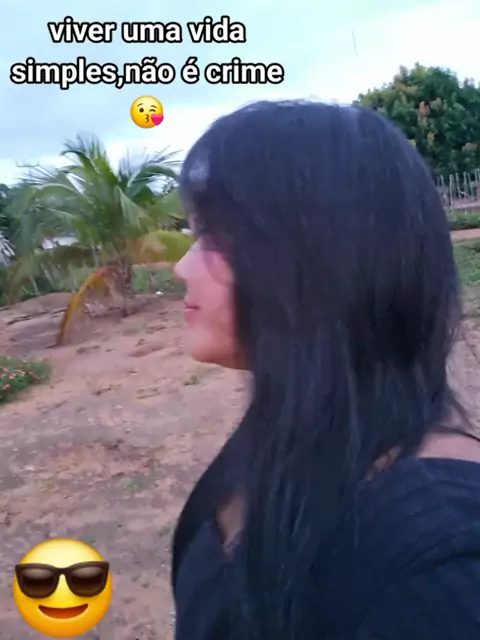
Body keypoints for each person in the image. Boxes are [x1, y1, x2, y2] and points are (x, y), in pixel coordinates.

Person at [171, 100, 480, 639]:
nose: (181, 267)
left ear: (314, 262)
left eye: (215, 239)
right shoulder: (292, 435)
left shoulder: (434, 566)